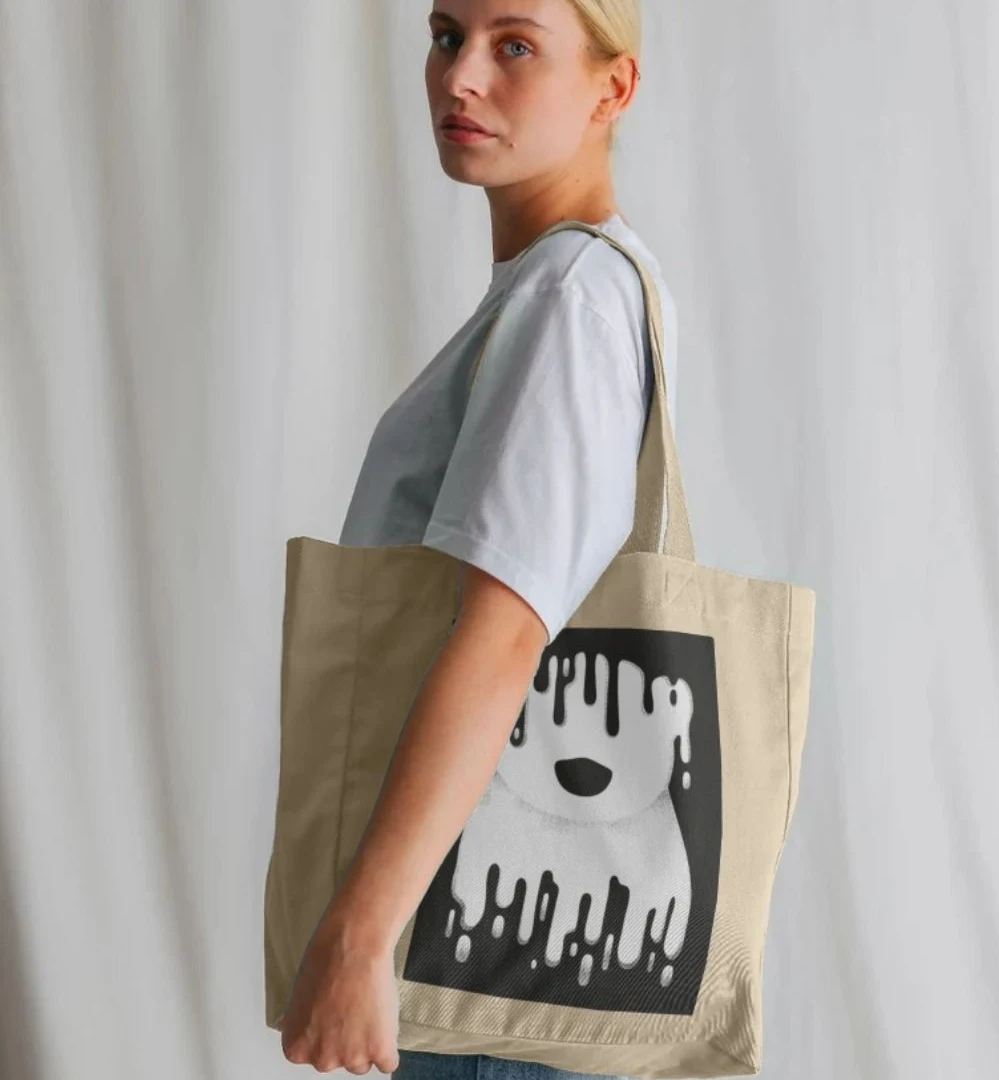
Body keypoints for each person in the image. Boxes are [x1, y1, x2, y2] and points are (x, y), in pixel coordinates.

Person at [278, 1, 679, 1076]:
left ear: (612, 88)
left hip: (479, 945)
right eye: (447, 34)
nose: (460, 76)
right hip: (491, 930)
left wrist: (360, 933)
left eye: (515, 46)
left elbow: (503, 634)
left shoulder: (572, 299)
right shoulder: (559, 289)